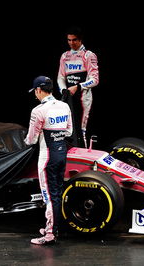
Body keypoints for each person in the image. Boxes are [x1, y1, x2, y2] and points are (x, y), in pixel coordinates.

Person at [24, 76, 73, 245]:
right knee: (57, 193)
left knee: (49, 197)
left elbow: (31, 139)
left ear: (38, 90)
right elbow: (69, 131)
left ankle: (50, 234)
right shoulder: (64, 106)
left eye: (35, 92)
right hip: (61, 155)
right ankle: (53, 228)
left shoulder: (38, 110)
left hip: (47, 159)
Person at [57, 26, 99, 148]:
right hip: (68, 98)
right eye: (69, 40)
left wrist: (78, 87)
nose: (71, 43)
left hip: (83, 98)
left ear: (80, 40)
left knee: (82, 130)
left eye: (74, 40)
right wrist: (63, 89)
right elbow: (60, 77)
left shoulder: (89, 55)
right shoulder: (65, 56)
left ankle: (85, 158)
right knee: (68, 129)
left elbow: (95, 80)